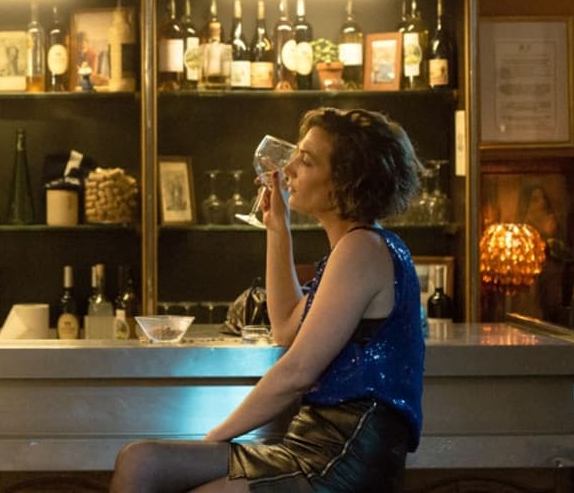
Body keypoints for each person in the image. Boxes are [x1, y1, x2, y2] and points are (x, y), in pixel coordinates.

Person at [112, 107, 425, 493]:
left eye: (306, 160)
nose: (289, 168)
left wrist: (214, 438)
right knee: (140, 461)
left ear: (346, 181)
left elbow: (297, 372)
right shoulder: (357, 247)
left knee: (158, 470)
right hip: (309, 443)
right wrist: (278, 228)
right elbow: (286, 328)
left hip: (342, 455)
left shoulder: (362, 249)